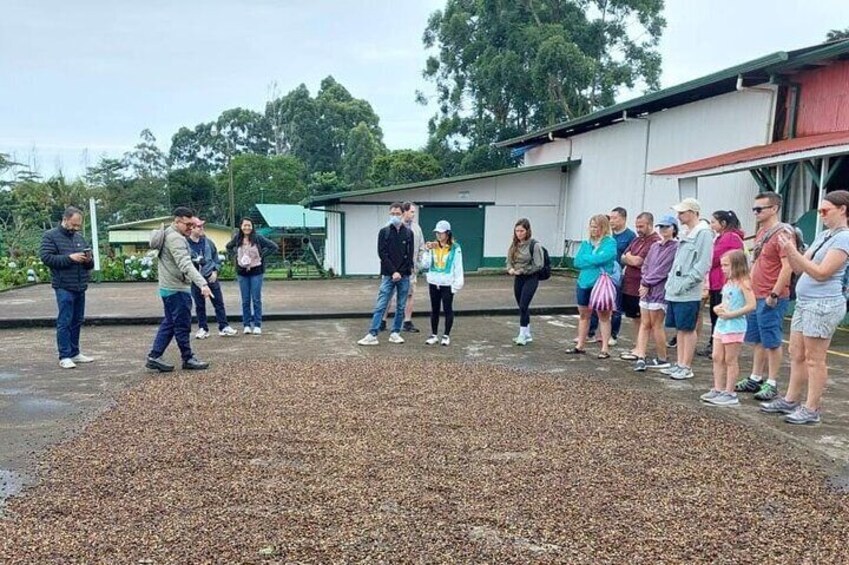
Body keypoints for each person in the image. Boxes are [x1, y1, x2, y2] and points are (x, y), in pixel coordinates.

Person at [760, 190, 849, 425]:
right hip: (806, 302)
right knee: (796, 354)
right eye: (820, 210)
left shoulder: (844, 238)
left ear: (843, 210)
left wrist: (791, 252)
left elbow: (821, 273)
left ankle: (812, 407)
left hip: (823, 304)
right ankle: (791, 399)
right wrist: (791, 251)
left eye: (825, 211)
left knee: (814, 358)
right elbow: (799, 267)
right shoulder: (824, 236)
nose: (821, 215)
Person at [735, 193, 796, 402]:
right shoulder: (762, 232)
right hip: (757, 293)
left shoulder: (783, 233)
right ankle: (755, 377)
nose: (755, 213)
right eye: (754, 209)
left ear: (774, 209)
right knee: (758, 339)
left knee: (772, 340)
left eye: (759, 209)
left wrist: (774, 293)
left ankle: (772, 382)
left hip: (771, 295)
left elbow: (787, 267)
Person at [145, 207, 212, 372]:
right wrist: (202, 283)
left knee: (169, 323)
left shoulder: (170, 234)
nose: (190, 228)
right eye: (188, 224)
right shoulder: (176, 238)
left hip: (168, 287)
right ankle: (187, 358)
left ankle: (154, 356)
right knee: (182, 324)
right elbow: (184, 263)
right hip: (177, 289)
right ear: (177, 221)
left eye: (192, 224)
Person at [660, 197, 714, 380]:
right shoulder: (686, 232)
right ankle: (680, 363)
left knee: (688, 329)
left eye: (682, 212)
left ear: (693, 212)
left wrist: (685, 283)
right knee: (680, 329)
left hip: (688, 290)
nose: (679, 216)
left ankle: (686, 365)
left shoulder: (703, 233)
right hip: (676, 287)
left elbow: (702, 264)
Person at [39, 206, 96, 369]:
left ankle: (75, 352)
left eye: (78, 225)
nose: (76, 228)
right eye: (74, 224)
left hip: (80, 285)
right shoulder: (50, 236)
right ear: (65, 219)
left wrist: (88, 260)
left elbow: (90, 264)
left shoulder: (79, 238)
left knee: (77, 320)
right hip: (63, 285)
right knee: (65, 320)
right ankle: (64, 355)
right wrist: (70, 258)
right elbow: (47, 258)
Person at [701, 250, 756, 406]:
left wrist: (732, 314)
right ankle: (718, 388)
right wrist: (718, 308)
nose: (723, 268)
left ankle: (730, 392)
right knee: (717, 356)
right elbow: (726, 302)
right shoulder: (728, 283)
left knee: (730, 359)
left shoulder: (744, 283)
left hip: (734, 325)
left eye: (726, 265)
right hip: (722, 323)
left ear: (737, 266)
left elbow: (751, 305)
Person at [358, 202, 414, 345]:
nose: (395, 216)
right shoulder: (384, 232)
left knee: (401, 306)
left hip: (404, 276)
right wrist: (393, 271)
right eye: (392, 213)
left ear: (403, 214)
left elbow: (409, 255)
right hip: (389, 275)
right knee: (381, 304)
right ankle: (372, 333)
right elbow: (382, 254)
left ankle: (395, 332)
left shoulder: (408, 233)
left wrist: (400, 272)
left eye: (397, 214)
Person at [632, 215, 679, 372]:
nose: (663, 230)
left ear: (674, 228)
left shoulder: (675, 247)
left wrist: (646, 282)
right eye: (661, 227)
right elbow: (646, 265)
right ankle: (641, 355)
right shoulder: (655, 246)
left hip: (660, 290)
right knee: (645, 324)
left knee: (656, 324)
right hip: (647, 288)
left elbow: (664, 269)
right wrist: (644, 280)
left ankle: (662, 357)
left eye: (667, 227)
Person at [568, 214, 617, 359]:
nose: (593, 229)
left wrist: (589, 259)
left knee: (603, 315)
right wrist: (593, 260)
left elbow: (605, 257)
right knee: (584, 314)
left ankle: (605, 348)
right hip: (583, 282)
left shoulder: (610, 243)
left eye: (596, 226)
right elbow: (577, 262)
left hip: (600, 284)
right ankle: (580, 345)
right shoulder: (586, 243)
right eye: (592, 226)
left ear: (603, 227)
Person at [697, 210, 745, 358]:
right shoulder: (724, 237)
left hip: (722, 282)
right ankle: (715, 344)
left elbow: (714, 257)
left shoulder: (729, 237)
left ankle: (718, 345)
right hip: (717, 282)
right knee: (715, 314)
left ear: (723, 223)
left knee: (719, 314)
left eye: (713, 222)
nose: (711, 225)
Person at [586, 206, 635, 345]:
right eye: (610, 218)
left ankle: (613, 335)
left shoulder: (630, 236)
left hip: (617, 276)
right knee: (597, 303)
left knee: (615, 306)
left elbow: (629, 256)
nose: (612, 221)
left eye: (615, 218)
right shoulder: (608, 235)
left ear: (624, 219)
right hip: (601, 274)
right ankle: (592, 333)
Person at [225, 217, 279, 335]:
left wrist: (261, 255)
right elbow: (228, 247)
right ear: (241, 226)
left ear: (252, 226)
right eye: (244, 225)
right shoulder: (237, 238)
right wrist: (236, 256)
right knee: (245, 300)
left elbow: (273, 246)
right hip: (242, 272)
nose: (247, 227)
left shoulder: (258, 238)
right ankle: (247, 324)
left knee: (256, 299)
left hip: (256, 271)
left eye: (249, 225)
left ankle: (257, 324)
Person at [618, 212, 660, 360]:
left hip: (643, 285)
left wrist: (630, 258)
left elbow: (638, 261)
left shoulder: (654, 241)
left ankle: (643, 347)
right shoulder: (636, 240)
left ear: (650, 224)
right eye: (636, 226)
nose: (638, 229)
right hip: (629, 283)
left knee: (645, 319)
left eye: (641, 226)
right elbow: (623, 257)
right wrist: (630, 258)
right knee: (635, 318)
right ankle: (638, 344)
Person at [187, 219, 237, 338]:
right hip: (196, 279)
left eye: (202, 226)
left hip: (211, 277)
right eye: (199, 226)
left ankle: (223, 327)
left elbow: (216, 259)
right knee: (199, 305)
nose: (202, 228)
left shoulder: (208, 242)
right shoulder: (185, 244)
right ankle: (203, 328)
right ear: (191, 228)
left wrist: (215, 271)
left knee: (219, 303)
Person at [381, 201, 425, 333]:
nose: (413, 214)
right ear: (404, 212)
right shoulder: (388, 227)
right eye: (411, 211)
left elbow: (421, 247)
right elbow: (383, 251)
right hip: (392, 269)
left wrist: (417, 264)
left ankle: (407, 321)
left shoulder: (416, 228)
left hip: (409, 269)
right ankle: (382, 321)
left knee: (409, 295)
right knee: (387, 295)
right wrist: (391, 269)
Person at [420, 220, 464, 346]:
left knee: (447, 309)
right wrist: (427, 251)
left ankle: (446, 335)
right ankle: (434, 335)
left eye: (441, 233)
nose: (439, 235)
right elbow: (425, 265)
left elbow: (458, 266)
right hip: (433, 282)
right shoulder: (433, 246)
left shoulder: (455, 247)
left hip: (447, 283)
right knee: (434, 309)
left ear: (447, 233)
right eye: (437, 233)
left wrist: (457, 285)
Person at [506, 218, 545, 346]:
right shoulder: (514, 244)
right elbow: (509, 259)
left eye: (521, 231)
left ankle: (522, 334)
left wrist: (523, 270)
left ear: (527, 231)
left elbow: (539, 265)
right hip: (518, 277)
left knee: (523, 304)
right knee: (522, 306)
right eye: (517, 231)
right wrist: (510, 268)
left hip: (531, 277)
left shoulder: (535, 245)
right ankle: (527, 333)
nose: (519, 233)